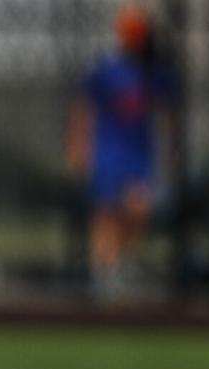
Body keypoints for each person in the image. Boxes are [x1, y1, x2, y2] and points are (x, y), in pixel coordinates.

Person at [65, 3, 178, 302]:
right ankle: (104, 275)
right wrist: (79, 147)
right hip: (108, 152)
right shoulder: (107, 69)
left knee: (138, 210)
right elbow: (84, 108)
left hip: (139, 153)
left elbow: (168, 111)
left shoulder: (154, 71)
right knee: (106, 216)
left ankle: (120, 263)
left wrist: (170, 150)